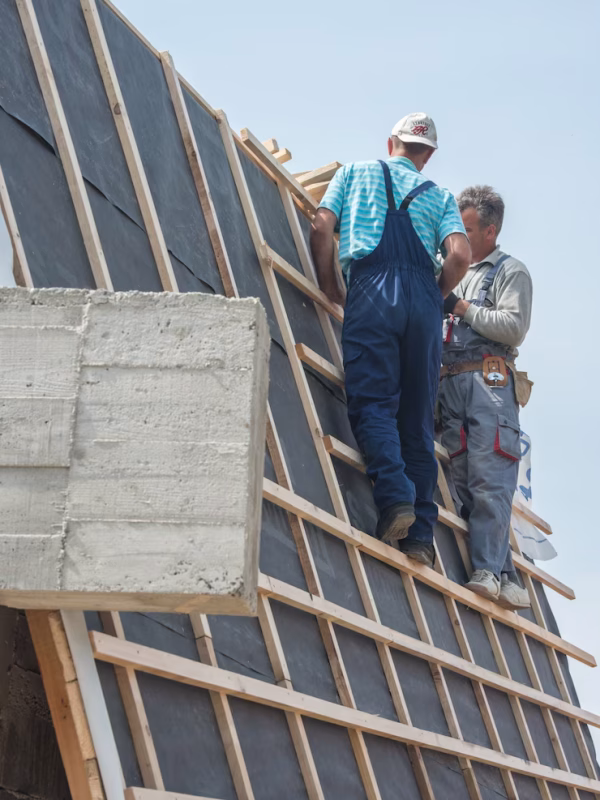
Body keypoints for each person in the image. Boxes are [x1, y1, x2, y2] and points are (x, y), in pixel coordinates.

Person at [310, 113, 471, 566]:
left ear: (391, 142)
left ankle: (396, 496)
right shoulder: (439, 196)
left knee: (373, 402)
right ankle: (420, 536)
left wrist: (329, 285)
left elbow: (322, 227)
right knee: (417, 415)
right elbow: (459, 255)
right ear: (429, 155)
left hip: (371, 292)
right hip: (423, 301)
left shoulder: (354, 174)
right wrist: (434, 295)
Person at [439, 185, 533, 609]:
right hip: (450, 381)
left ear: (490, 231)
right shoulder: (453, 266)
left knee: (489, 475)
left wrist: (462, 309)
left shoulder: (510, 271)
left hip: (489, 381)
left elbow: (513, 327)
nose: (459, 233)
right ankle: (505, 573)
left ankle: (488, 571)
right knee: (459, 476)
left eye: (468, 227)